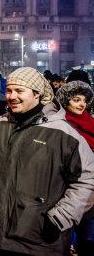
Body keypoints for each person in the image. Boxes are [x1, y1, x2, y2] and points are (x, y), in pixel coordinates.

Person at [0, 67, 94, 256]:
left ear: (37, 94)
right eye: (9, 90)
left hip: (41, 242)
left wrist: (60, 217)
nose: (12, 96)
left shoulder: (64, 134)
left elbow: (87, 181)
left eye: (19, 91)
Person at [56, 81, 94, 255]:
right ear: (65, 101)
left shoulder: (90, 121)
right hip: (68, 184)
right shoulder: (59, 124)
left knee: (88, 231)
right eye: (76, 100)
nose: (82, 104)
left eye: (84, 100)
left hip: (90, 184)